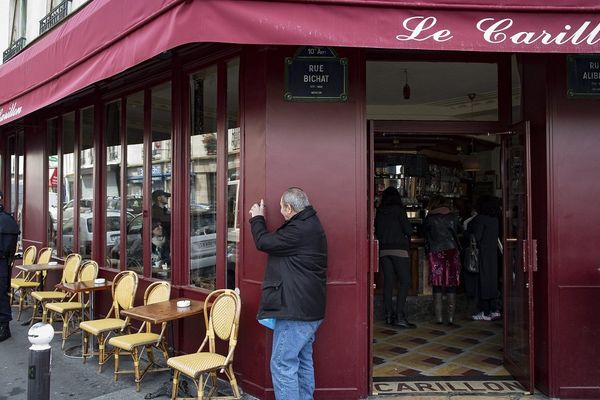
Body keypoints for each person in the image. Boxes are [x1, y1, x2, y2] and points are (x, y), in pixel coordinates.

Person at [249, 187, 327, 400]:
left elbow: (264, 242)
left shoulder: (299, 230)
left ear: (290, 208)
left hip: (295, 312)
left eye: (282, 208)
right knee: (302, 361)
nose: (281, 212)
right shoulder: (309, 224)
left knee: (282, 364)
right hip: (308, 310)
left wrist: (257, 219)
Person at [374, 187, 415, 328]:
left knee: (388, 283)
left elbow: (377, 230)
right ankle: (399, 316)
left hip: (384, 250)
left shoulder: (380, 212)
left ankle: (388, 316)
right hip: (399, 249)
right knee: (405, 281)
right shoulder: (399, 210)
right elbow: (408, 229)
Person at [423, 195, 461, 325]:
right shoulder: (453, 216)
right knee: (451, 284)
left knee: (437, 283)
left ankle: (438, 318)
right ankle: (450, 318)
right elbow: (458, 233)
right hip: (452, 251)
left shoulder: (429, 218)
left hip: (435, 252)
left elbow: (425, 234)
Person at [468, 195, 501, 321]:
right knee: (492, 281)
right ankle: (494, 309)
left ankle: (485, 311)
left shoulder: (481, 219)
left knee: (483, 281)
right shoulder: (495, 219)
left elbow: (476, 237)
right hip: (493, 253)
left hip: (483, 253)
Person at [0, 191, 20, 342]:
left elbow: (8, 249)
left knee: (0, 295)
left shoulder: (6, 220)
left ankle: (4, 328)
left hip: (0, 264)